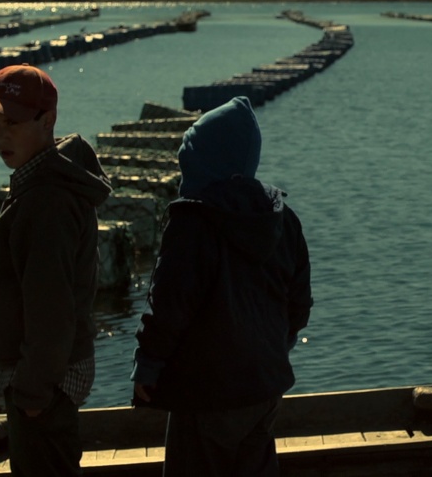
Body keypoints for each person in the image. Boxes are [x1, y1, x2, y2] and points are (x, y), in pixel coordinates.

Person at [130, 96, 313, 476]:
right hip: (265, 386)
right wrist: (273, 348)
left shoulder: (192, 223)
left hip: (205, 391)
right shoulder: (282, 219)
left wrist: (148, 365)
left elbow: (169, 306)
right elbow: (299, 304)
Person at [0, 64, 111, 476]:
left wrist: (32, 392)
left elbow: (51, 308)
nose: (1, 137)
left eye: (12, 124)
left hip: (46, 381)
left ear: (47, 121)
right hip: (42, 374)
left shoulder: (46, 201)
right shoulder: (39, 183)